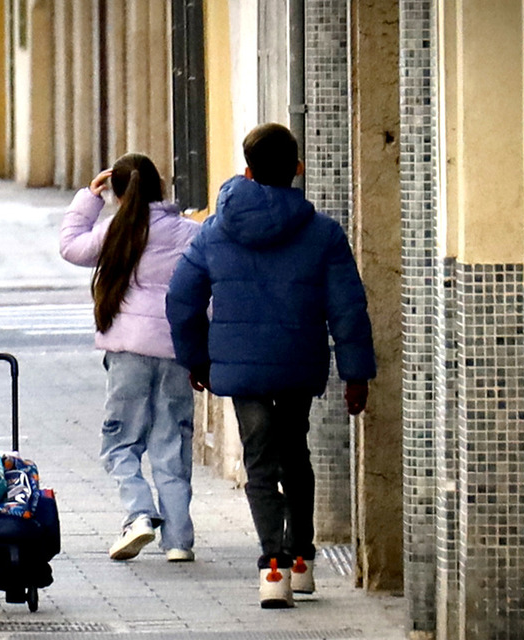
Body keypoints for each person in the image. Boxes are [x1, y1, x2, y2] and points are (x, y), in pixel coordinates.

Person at [166, 123, 375, 608]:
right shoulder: (323, 233)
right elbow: (348, 306)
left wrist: (196, 359)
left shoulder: (215, 231)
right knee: (296, 454)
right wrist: (355, 372)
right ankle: (302, 557)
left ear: (248, 170)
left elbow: (181, 298)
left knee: (259, 461)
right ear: (297, 170)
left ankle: (273, 569)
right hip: (298, 362)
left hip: (241, 370)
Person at [59, 153, 200, 563]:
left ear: (117, 193)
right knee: (172, 443)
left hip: (127, 353)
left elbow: (70, 246)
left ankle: (139, 514)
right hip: (175, 350)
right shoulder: (189, 233)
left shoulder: (115, 231)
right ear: (162, 186)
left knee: (120, 442)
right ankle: (178, 541)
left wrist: (89, 197)